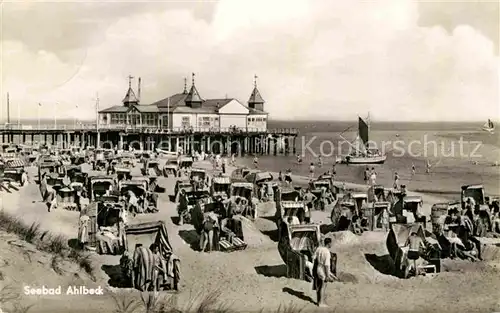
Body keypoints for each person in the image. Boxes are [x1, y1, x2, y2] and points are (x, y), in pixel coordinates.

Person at [312, 238, 336, 307]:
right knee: (323, 286)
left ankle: (319, 300)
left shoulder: (319, 249)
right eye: (331, 243)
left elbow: (313, 257)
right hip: (323, 269)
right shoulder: (327, 252)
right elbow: (327, 265)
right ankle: (321, 302)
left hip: (318, 268)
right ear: (328, 244)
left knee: (319, 285)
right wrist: (328, 275)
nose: (331, 244)